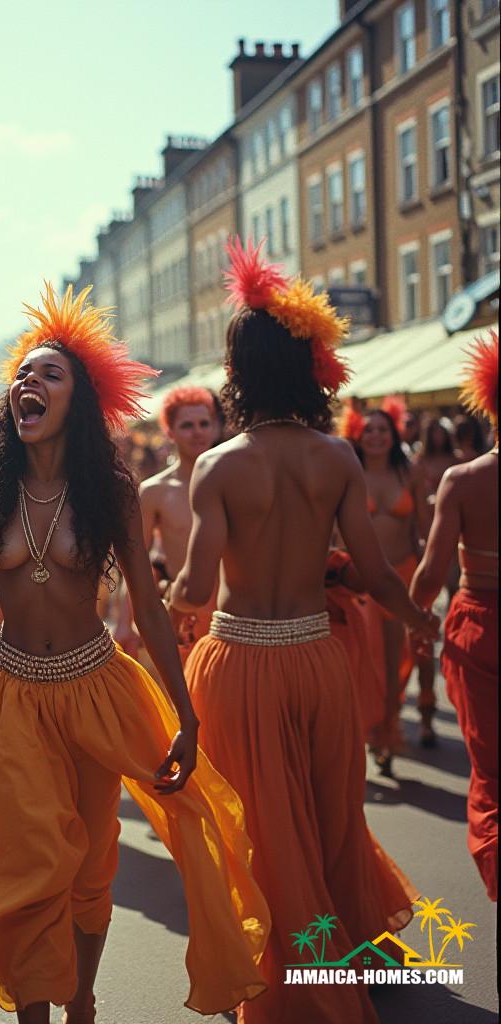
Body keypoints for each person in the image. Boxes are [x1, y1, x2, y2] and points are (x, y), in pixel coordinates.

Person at [0, 283, 270, 1024]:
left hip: (94, 688)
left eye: (50, 375)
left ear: (78, 402)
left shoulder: (110, 489)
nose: (30, 382)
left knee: (89, 867)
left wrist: (186, 716)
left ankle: (81, 1000)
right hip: (10, 694)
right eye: (24, 374)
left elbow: (147, 606)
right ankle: (36, 1016)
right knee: (30, 866)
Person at [169, 239, 433, 1024]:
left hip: (239, 663)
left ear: (239, 373)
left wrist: (155, 603)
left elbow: (192, 584)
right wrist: (422, 623)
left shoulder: (217, 466)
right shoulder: (339, 456)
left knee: (258, 832)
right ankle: (338, 961)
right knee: (325, 821)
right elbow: (378, 573)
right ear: (310, 365)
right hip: (320, 658)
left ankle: (288, 979)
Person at [411, 329, 498, 902]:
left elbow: (430, 572)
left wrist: (417, 620)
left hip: (480, 626)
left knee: (491, 769)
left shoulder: (464, 481)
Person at [349, 398, 431, 767]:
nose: (376, 436)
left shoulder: (409, 473)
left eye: (383, 429)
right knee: (369, 663)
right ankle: (376, 731)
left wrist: (431, 575)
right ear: (358, 434)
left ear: (393, 434)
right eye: (369, 430)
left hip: (404, 575)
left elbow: (425, 529)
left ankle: (390, 725)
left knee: (401, 660)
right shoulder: (349, 471)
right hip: (362, 580)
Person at [138, 386, 220, 660]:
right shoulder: (155, 491)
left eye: (204, 423)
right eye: (187, 425)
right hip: (185, 622)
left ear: (215, 428)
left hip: (232, 620)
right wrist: (129, 623)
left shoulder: (233, 482)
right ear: (170, 431)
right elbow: (135, 564)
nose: (197, 431)